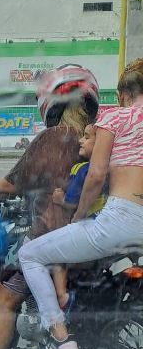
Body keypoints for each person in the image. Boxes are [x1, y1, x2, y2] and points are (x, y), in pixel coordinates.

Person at [0, 64, 99, 349]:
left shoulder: (53, 137)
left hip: (53, 235)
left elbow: (11, 185)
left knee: (2, 298)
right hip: (98, 236)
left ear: (50, 103)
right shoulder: (102, 138)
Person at [19, 59, 143, 349]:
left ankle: (60, 336)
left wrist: (79, 216)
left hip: (121, 220)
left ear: (124, 94)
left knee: (30, 254)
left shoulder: (116, 118)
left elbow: (96, 174)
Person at [47, 123, 107, 314]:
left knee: (54, 251)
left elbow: (72, 201)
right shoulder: (111, 168)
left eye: (87, 137)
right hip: (105, 226)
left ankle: (62, 296)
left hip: (86, 226)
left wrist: (59, 199)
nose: (81, 140)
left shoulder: (83, 169)